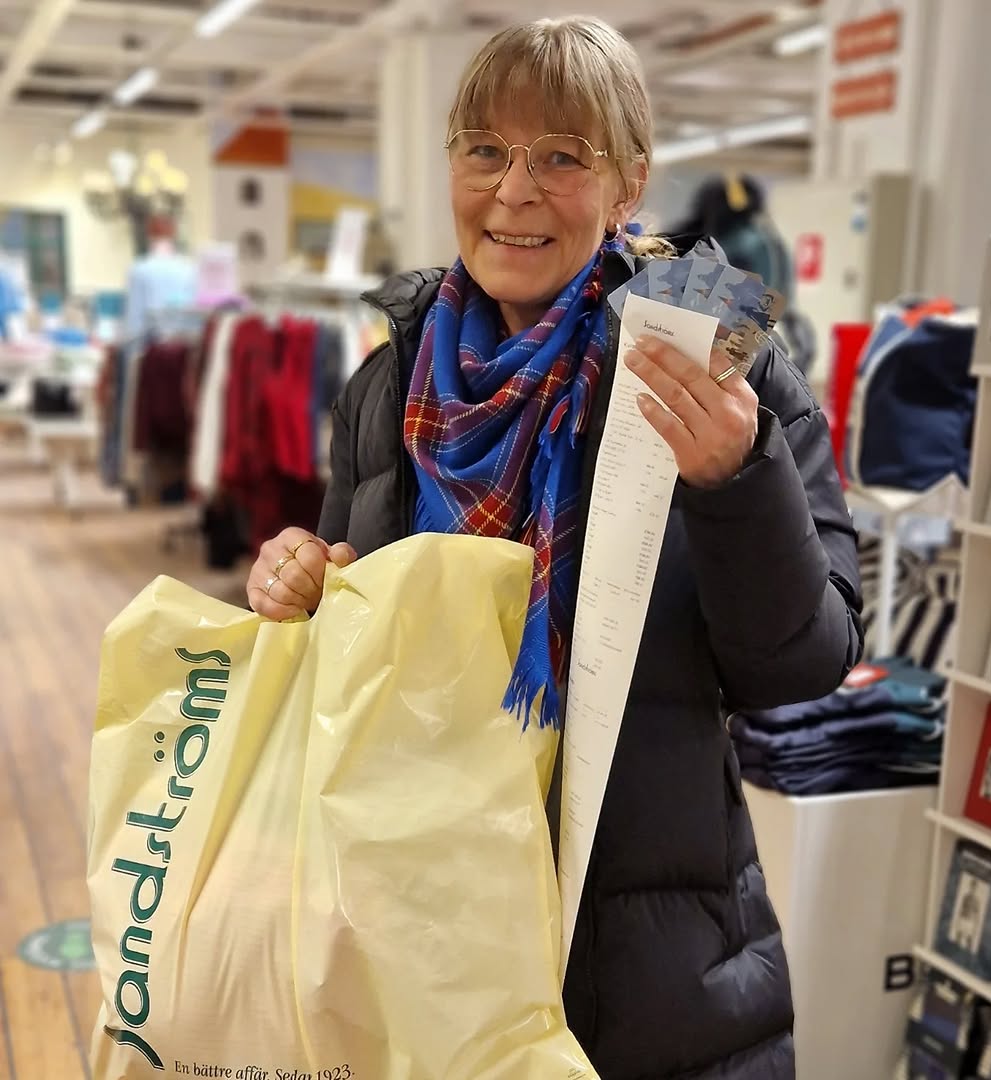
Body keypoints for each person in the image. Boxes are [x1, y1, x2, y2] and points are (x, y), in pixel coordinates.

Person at [246, 16, 862, 1079]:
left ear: (629, 185)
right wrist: (296, 583)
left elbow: (802, 664)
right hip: (422, 939)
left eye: (562, 157)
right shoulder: (388, 385)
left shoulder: (713, 361)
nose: (513, 191)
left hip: (646, 978)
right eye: (485, 149)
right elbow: (343, 644)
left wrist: (737, 479)